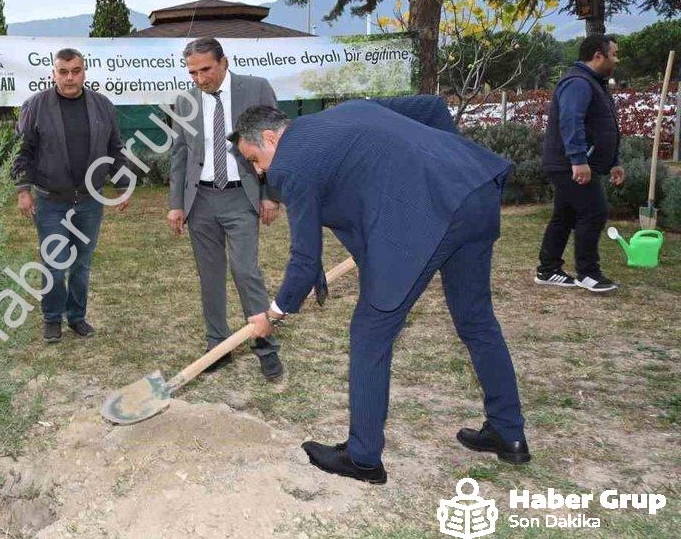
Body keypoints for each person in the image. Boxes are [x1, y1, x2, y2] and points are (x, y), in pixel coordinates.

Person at [230, 99, 530, 485]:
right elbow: (432, 108)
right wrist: (446, 170)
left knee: (370, 334)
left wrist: (273, 313)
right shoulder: (344, 113)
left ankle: (363, 457)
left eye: (255, 160)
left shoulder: (290, 165)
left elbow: (305, 258)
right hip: (474, 189)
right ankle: (508, 432)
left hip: (427, 217)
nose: (259, 171)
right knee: (476, 319)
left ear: (272, 138)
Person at [166, 37, 284, 382]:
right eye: (192, 73)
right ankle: (217, 345)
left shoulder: (256, 89)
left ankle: (265, 345)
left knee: (246, 270)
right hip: (200, 200)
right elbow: (179, 154)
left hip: (241, 197)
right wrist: (176, 204)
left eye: (205, 70)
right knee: (210, 275)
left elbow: (277, 143)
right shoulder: (185, 100)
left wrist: (270, 194)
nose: (199, 79)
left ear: (224, 62)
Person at [11, 48, 131, 343]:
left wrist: (122, 184)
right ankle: (52, 318)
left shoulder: (102, 106)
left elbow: (115, 148)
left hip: (90, 201)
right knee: (54, 264)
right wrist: (23, 189)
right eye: (63, 72)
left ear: (83, 72)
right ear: (53, 74)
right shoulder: (36, 106)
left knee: (81, 264)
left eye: (75, 71)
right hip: (51, 201)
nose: (69, 78)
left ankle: (77, 317)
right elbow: (21, 151)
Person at [536, 35, 626, 293]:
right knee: (594, 211)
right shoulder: (578, 82)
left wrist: (613, 162)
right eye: (613, 54)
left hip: (576, 163)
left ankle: (548, 269)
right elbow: (571, 121)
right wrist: (577, 159)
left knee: (565, 215)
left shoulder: (594, 83)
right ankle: (588, 273)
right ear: (598, 56)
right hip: (569, 164)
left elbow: (601, 127)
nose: (616, 60)